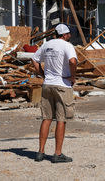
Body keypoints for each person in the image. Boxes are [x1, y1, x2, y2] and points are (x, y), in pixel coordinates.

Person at [31, 24, 77, 163]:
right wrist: (73, 76)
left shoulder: (47, 45)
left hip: (48, 84)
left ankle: (40, 152)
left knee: (47, 118)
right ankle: (57, 154)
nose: (69, 36)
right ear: (65, 35)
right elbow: (72, 61)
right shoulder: (67, 45)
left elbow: (34, 59)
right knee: (61, 119)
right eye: (68, 34)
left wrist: (43, 74)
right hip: (62, 85)